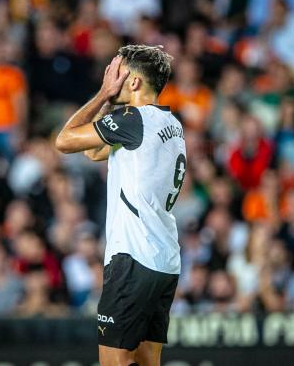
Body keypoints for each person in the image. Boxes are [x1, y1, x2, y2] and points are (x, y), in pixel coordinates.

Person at [56, 46, 185, 366]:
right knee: (145, 362)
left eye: (119, 74)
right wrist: (112, 102)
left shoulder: (131, 119)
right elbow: (93, 152)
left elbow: (64, 140)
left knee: (114, 362)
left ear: (135, 82)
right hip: (164, 260)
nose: (114, 80)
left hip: (133, 257)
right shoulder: (170, 124)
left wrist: (102, 94)